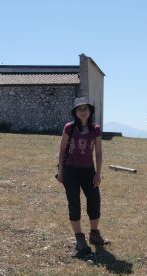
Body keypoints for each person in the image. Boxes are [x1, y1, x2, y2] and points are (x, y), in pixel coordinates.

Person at [57, 97, 108, 255]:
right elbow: (62, 150)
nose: (83, 111)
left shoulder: (96, 129)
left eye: (86, 108)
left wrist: (98, 173)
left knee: (94, 201)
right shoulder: (69, 128)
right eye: (80, 109)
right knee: (74, 203)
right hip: (70, 170)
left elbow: (98, 153)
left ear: (90, 111)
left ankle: (94, 234)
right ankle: (79, 240)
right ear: (75, 112)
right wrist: (61, 171)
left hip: (88, 171)